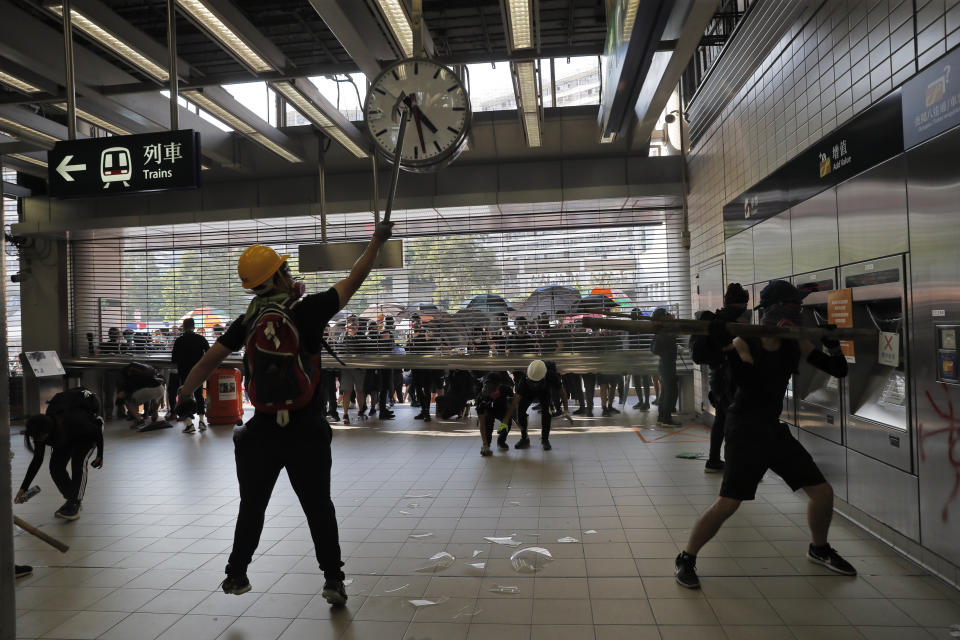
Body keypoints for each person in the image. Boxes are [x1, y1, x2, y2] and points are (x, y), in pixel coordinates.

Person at [174, 222, 393, 605]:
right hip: (306, 428)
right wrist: (376, 241)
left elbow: (209, 361)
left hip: (261, 432)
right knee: (318, 508)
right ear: (278, 274)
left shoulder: (249, 319)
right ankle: (333, 580)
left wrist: (184, 393)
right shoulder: (307, 309)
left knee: (252, 507)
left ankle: (237, 574)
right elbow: (355, 279)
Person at [675, 280, 856, 589]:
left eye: (798, 305)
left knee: (822, 492)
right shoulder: (747, 341)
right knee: (729, 503)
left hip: (772, 429)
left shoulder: (795, 340)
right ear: (774, 309)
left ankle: (819, 548)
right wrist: (727, 347)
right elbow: (748, 382)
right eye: (792, 305)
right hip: (744, 428)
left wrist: (832, 343)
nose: (798, 310)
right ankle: (687, 557)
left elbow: (838, 369)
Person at [15, 386, 104, 521]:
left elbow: (96, 432)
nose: (39, 441)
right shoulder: (40, 430)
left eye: (40, 438)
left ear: (48, 432)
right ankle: (72, 500)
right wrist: (23, 488)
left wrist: (100, 455)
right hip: (65, 435)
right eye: (36, 439)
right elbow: (37, 460)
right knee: (56, 467)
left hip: (88, 432)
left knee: (78, 464)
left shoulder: (74, 420)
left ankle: (75, 503)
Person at [689, 283, 751, 473]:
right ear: (745, 303)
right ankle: (735, 464)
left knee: (722, 420)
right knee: (736, 423)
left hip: (717, 379)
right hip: (733, 381)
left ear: (725, 301)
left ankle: (714, 460)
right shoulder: (739, 321)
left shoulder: (715, 319)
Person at [500, 359, 569, 451]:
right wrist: (505, 420)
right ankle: (524, 439)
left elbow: (562, 392)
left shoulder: (551, 375)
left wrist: (566, 410)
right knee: (520, 411)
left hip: (544, 393)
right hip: (528, 393)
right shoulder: (524, 380)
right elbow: (515, 402)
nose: (534, 385)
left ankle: (545, 440)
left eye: (536, 382)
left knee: (546, 413)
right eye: (532, 382)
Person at [170, 318, 210, 433]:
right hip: (198, 372)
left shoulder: (179, 341)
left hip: (184, 373)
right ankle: (202, 422)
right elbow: (208, 353)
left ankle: (189, 424)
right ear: (193, 326)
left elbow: (174, 359)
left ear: (183, 327)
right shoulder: (201, 339)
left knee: (185, 397)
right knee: (199, 395)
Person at [651, 308, 680, 427]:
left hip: (663, 363)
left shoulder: (658, 331)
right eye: (667, 314)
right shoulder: (666, 331)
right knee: (671, 392)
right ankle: (666, 419)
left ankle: (661, 417)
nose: (670, 316)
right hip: (667, 364)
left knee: (665, 392)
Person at [475, 372, 515, 456]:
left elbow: (512, 406)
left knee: (508, 422)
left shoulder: (506, 389)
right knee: (487, 422)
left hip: (502, 408)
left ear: (499, 386)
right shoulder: (481, 398)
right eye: (490, 393)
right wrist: (485, 444)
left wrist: (505, 420)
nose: (492, 394)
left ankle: (501, 441)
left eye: (494, 392)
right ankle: (487, 445)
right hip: (488, 410)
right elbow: (482, 424)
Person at [117, 362, 166, 428]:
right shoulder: (145, 368)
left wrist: (120, 397)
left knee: (129, 401)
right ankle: (154, 413)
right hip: (160, 388)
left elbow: (124, 393)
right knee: (154, 398)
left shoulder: (126, 376)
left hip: (148, 390)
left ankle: (139, 421)